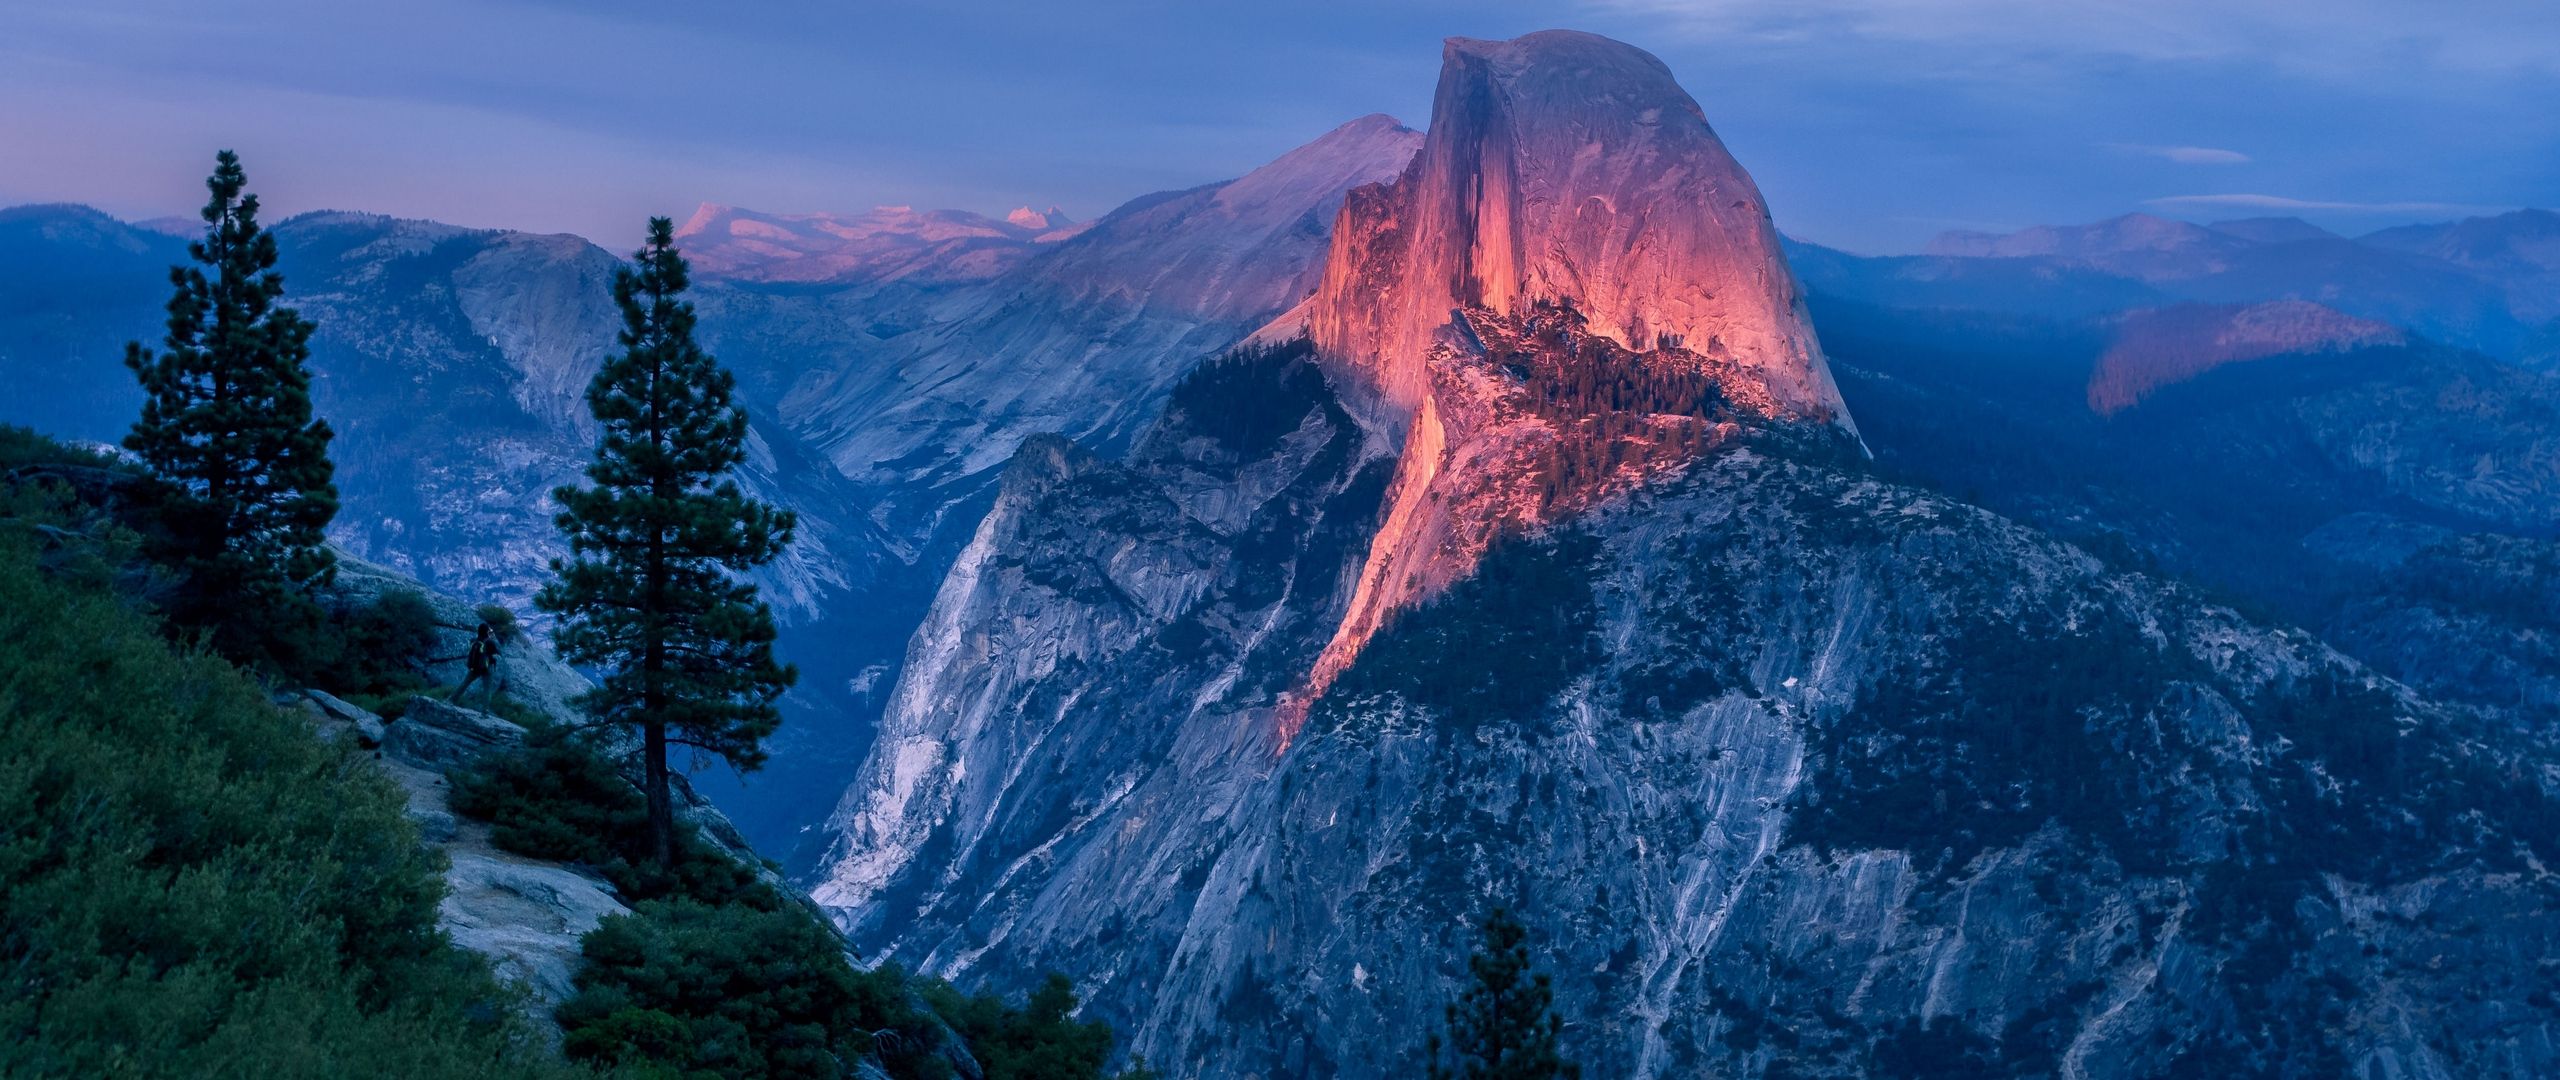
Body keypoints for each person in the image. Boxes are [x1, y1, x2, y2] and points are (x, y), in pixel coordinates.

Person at [455, 621, 500, 704]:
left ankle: (451, 700)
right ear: (487, 632)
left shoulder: (474, 640)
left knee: (464, 684)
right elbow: (496, 653)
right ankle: (485, 711)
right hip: (486, 668)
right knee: (487, 689)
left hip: (474, 667)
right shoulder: (490, 642)